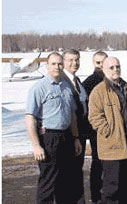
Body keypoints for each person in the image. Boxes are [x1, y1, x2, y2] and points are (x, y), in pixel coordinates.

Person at [25, 52, 82, 204]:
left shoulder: (66, 86)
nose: (57, 67)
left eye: (60, 64)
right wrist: (36, 145)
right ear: (46, 66)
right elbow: (30, 117)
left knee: (65, 181)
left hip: (67, 137)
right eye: (54, 64)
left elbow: (72, 115)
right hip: (48, 138)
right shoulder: (39, 88)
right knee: (48, 182)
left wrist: (76, 139)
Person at [88, 57, 127, 204]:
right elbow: (94, 117)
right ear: (104, 70)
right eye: (111, 67)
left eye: (117, 66)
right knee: (111, 187)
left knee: (125, 183)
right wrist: (109, 132)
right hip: (111, 146)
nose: (115, 70)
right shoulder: (99, 91)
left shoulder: (124, 86)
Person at [61, 49, 87, 204]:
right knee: (67, 175)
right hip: (69, 135)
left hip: (80, 134)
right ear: (63, 61)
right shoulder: (63, 81)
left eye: (76, 59)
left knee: (77, 172)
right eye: (70, 60)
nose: (74, 63)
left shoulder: (77, 81)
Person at [82, 50, 108, 204]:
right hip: (95, 130)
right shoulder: (89, 83)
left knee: (111, 164)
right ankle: (96, 196)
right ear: (93, 63)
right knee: (98, 162)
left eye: (103, 62)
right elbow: (86, 110)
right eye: (98, 62)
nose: (100, 65)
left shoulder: (112, 79)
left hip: (112, 129)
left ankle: (110, 194)